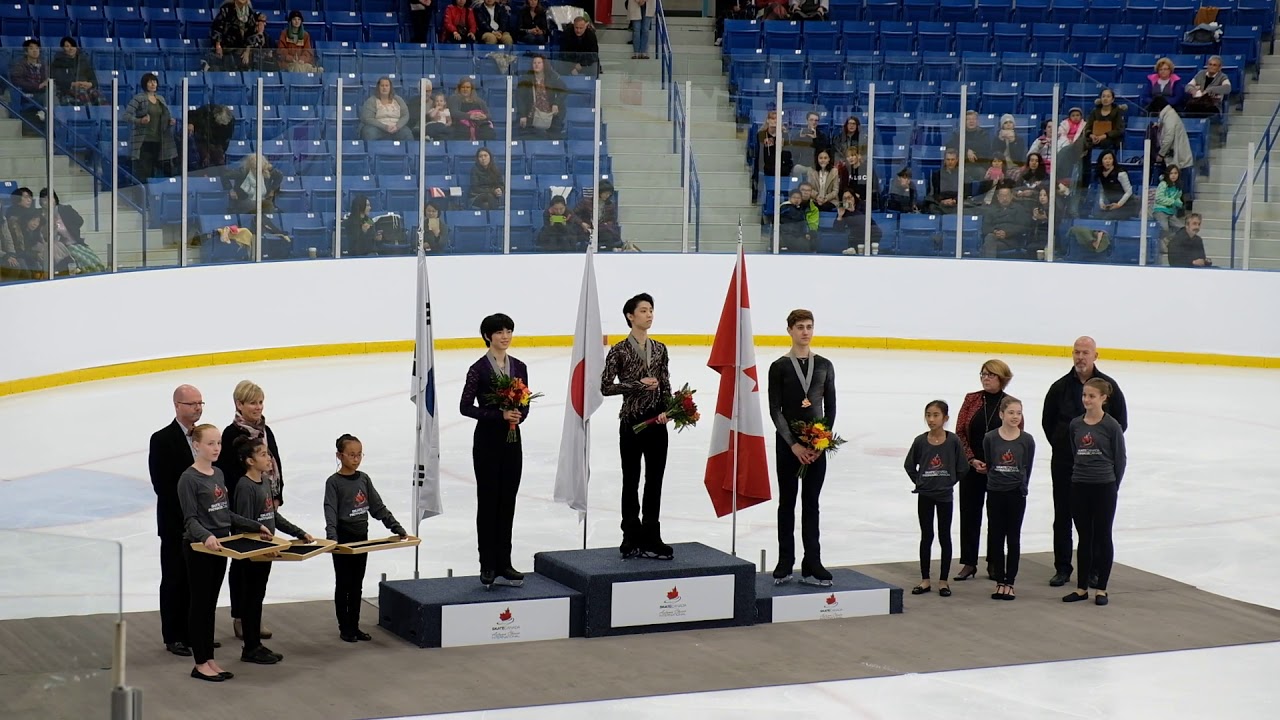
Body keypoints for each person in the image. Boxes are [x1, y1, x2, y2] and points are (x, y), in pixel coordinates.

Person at [178, 424, 271, 681]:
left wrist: (255, 525)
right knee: (200, 606)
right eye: (210, 443)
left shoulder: (217, 473)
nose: (216, 448)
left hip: (221, 547)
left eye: (218, 443)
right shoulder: (189, 479)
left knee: (210, 606)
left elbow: (224, 513)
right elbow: (190, 519)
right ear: (196, 445)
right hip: (199, 548)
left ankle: (209, 659)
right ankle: (200, 663)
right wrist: (205, 536)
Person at [1042, 337, 1128, 588]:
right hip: (1065, 463)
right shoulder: (1059, 388)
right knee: (1063, 515)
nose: (1080, 357)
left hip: (1097, 469)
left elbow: (1119, 424)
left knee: (1094, 521)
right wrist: (1069, 448)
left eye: (1085, 352)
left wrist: (1096, 451)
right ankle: (1063, 567)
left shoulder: (1108, 387)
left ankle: (1092, 570)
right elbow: (1049, 423)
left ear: (1095, 356)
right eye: (1076, 352)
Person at [768, 310, 837, 586]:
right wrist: (794, 445)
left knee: (811, 504)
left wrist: (821, 443)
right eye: (799, 327)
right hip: (788, 446)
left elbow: (830, 408)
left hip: (816, 445)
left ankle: (812, 562)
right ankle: (786, 561)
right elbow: (775, 410)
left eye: (809, 327)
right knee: (787, 503)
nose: (805, 332)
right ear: (789, 330)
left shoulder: (824, 365)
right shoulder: (779, 367)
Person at [602, 293, 674, 559]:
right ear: (630, 316)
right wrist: (636, 384)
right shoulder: (619, 350)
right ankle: (631, 535)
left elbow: (665, 382)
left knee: (654, 480)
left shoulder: (660, 348)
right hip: (631, 422)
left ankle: (652, 536)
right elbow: (606, 386)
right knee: (630, 480)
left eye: (651, 310)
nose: (649, 315)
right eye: (643, 310)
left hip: (657, 422)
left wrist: (669, 409)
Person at [213, 380, 285, 643]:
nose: (258, 407)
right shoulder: (231, 435)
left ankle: (253, 616)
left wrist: (276, 497)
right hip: (243, 509)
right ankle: (241, 617)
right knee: (243, 563)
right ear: (239, 405)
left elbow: (276, 463)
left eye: (260, 402)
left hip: (266, 505)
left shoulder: (266, 431)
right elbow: (229, 476)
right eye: (252, 402)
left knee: (263, 563)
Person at [460, 314, 529, 587]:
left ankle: (505, 562)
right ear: (488, 335)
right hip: (488, 441)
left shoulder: (519, 366)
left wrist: (518, 415)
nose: (505, 336)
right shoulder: (478, 369)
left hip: (512, 441)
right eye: (499, 331)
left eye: (509, 330)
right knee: (489, 502)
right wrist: (497, 416)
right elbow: (466, 407)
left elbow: (524, 403)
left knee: (508, 501)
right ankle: (487, 564)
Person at [230, 437, 311, 665]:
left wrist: (299, 533)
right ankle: (250, 647)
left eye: (268, 453)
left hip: (267, 550)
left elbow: (272, 516)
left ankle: (256, 644)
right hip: (253, 554)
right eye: (263, 454)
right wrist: (261, 543)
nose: (269, 458)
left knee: (258, 597)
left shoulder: (264, 482)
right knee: (250, 599)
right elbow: (243, 525)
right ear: (249, 460)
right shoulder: (245, 487)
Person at [324, 434, 407, 643]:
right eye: (351, 455)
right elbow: (330, 510)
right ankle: (345, 627)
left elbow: (377, 507)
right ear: (339, 455)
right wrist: (332, 538)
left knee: (357, 584)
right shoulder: (334, 482)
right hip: (344, 539)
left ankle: (355, 624)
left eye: (359, 454)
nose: (356, 459)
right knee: (344, 583)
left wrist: (396, 527)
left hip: (362, 537)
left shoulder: (363, 479)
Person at [148, 385, 205, 658]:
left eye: (200, 403)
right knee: (174, 578)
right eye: (192, 403)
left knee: (196, 580)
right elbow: (163, 486)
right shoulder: (162, 439)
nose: (197, 408)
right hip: (175, 523)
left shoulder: (204, 437)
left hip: (203, 525)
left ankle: (194, 632)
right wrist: (189, 514)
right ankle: (174, 635)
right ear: (177, 406)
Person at [1062, 379, 1127, 606]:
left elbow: (1120, 459)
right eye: (1084, 395)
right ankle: (1081, 588)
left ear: (1103, 398)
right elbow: (1075, 452)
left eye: (1091, 396)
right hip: (1080, 485)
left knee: (1102, 535)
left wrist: (1112, 484)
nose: (1086, 400)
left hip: (1104, 486)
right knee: (1084, 537)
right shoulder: (1075, 425)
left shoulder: (1111, 426)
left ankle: (1101, 589)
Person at [953, 360, 1017, 582]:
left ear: (1002, 378)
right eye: (983, 374)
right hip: (972, 468)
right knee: (970, 514)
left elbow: (1016, 437)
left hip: (999, 469)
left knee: (997, 516)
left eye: (991, 374)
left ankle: (994, 561)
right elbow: (960, 431)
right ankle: (969, 563)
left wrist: (995, 463)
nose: (985, 378)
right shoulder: (971, 399)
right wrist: (971, 459)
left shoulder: (1010, 404)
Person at [904, 400, 966, 597]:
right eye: (928, 415)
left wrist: (948, 482)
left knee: (944, 536)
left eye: (936, 415)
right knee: (927, 536)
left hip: (945, 496)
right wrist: (920, 482)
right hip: (925, 496)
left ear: (945, 418)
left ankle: (943, 580)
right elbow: (909, 465)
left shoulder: (953, 441)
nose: (931, 419)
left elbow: (962, 467)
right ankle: (925, 579)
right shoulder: (920, 441)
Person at [982, 396, 1035, 601]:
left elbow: (1027, 467)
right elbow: (989, 462)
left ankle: (1010, 582)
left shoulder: (1026, 440)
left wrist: (1022, 488)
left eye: (1019, 413)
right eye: (1011, 412)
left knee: (1013, 538)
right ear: (1001, 414)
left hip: (1015, 493)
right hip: (995, 492)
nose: (1015, 416)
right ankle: (999, 581)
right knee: (996, 536)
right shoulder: (991, 438)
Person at [125, 73, 179, 184]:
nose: (153, 84)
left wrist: (170, 121)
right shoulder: (139, 98)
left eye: (154, 81)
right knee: (144, 172)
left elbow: (165, 116)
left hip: (160, 141)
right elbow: (126, 116)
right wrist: (140, 121)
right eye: (150, 81)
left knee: (159, 171)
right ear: (145, 84)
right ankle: (141, 198)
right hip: (144, 142)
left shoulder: (161, 99)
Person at [515, 54, 565, 140]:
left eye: (539, 63)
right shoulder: (525, 79)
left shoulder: (551, 77)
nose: (536, 65)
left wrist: (556, 104)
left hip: (550, 116)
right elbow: (520, 98)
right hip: (531, 116)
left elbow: (563, 90)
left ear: (544, 65)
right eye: (534, 63)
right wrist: (522, 115)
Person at [980, 186, 1032, 257]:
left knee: (987, 246)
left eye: (1007, 196)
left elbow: (1023, 227)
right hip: (994, 238)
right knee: (990, 238)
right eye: (1002, 196)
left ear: (1011, 196)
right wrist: (995, 232)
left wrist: (1007, 233)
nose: (1004, 198)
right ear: (998, 197)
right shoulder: (991, 210)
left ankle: (988, 265)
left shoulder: (1019, 209)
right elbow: (985, 228)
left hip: (1011, 240)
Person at [208, 0, 258, 72]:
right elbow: (217, 28)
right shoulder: (226, 9)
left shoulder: (249, 12)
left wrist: (247, 51)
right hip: (226, 47)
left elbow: (251, 33)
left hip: (240, 48)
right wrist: (218, 45)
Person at [360, 77, 413, 142]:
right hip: (378, 128)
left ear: (390, 87)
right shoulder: (372, 101)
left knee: (407, 133)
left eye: (387, 86)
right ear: (378, 87)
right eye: (382, 86)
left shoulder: (398, 100)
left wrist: (397, 126)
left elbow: (405, 115)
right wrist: (385, 127)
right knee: (369, 133)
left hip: (396, 128)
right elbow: (368, 118)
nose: (384, 88)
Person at [51, 38, 100, 106]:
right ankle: (88, 116)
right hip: (67, 91)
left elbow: (94, 79)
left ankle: (106, 115)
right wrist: (73, 84)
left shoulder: (83, 61)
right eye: (67, 46)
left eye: (73, 46)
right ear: (63, 49)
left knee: (96, 94)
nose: (71, 48)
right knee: (83, 94)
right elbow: (58, 80)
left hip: (84, 88)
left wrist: (90, 84)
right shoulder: (58, 62)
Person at [1150, 96, 1194, 172]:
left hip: (1178, 160)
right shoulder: (1169, 115)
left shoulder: (1170, 117)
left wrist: (1161, 154)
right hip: (1176, 159)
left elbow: (1168, 138)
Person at [187, 104, 236, 171]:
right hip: (201, 138)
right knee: (205, 158)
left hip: (217, 142)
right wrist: (191, 123)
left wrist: (220, 149)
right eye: (220, 122)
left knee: (220, 160)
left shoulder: (230, 123)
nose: (221, 124)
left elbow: (226, 140)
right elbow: (191, 114)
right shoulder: (206, 111)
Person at [1152, 164, 1186, 255]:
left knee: (1182, 229)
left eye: (1175, 173)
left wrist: (1179, 202)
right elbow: (1159, 198)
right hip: (1160, 210)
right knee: (1164, 228)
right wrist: (1172, 202)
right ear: (1168, 174)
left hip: (1171, 212)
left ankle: (1168, 241)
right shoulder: (1163, 184)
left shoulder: (1178, 186)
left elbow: (1177, 197)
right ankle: (1161, 244)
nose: (1173, 175)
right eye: (1171, 173)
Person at [1093, 151, 1136, 220]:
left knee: (1109, 217)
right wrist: (1101, 203)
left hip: (1126, 205)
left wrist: (1119, 204)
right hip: (1112, 204)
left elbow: (1129, 191)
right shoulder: (1100, 174)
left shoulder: (1121, 173)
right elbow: (1102, 190)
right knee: (1096, 216)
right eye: (1105, 159)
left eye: (1110, 159)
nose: (1108, 161)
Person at [924, 149, 961, 215]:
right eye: (948, 159)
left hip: (957, 204)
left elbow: (965, 191)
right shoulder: (937, 174)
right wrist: (942, 201)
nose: (950, 162)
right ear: (944, 160)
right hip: (940, 204)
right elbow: (934, 192)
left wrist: (955, 200)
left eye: (952, 159)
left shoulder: (962, 174)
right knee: (932, 208)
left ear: (957, 160)